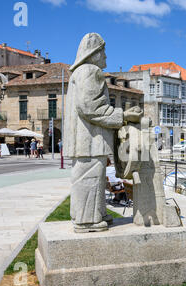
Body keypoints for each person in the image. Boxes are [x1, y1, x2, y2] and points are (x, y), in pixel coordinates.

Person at [64, 33, 142, 233]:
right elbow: (91, 108)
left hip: (84, 139)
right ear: (94, 52)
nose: (106, 56)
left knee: (92, 177)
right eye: (103, 51)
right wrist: (123, 116)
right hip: (90, 139)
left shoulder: (77, 73)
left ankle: (96, 214)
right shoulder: (90, 71)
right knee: (89, 178)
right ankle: (87, 220)